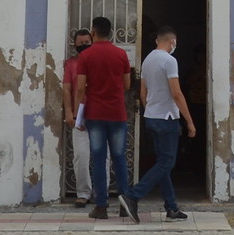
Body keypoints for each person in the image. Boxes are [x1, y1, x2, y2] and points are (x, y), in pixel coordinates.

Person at [122, 26, 195, 223]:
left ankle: (171, 206)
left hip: (152, 116)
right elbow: (177, 94)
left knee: (162, 163)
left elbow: (143, 93)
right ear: (172, 42)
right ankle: (133, 195)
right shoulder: (169, 61)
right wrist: (189, 121)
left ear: (157, 40)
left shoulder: (147, 60)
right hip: (167, 118)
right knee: (167, 162)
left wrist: (150, 110)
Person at [72, 14, 132, 220]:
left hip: (95, 114)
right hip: (117, 113)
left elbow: (80, 88)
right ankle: (125, 204)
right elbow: (127, 85)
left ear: (93, 32)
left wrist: (77, 115)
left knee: (98, 159)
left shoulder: (86, 56)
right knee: (119, 158)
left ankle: (101, 206)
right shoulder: (121, 54)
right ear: (111, 32)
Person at [63, 28, 94, 204]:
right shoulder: (71, 64)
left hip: (98, 113)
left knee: (102, 156)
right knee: (81, 155)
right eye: (80, 43)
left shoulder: (98, 61)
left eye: (87, 42)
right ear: (74, 44)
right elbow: (67, 89)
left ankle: (101, 192)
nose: (83, 46)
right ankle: (83, 193)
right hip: (79, 114)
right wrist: (69, 111)